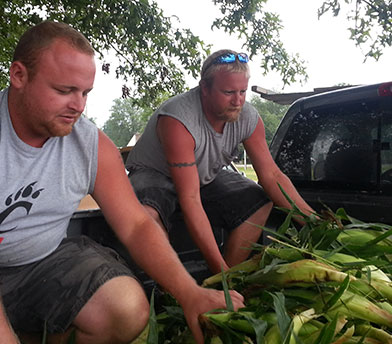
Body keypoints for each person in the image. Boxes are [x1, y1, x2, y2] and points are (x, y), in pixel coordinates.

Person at [0, 22, 244, 344]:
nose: (78, 106)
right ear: (19, 75)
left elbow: (137, 225)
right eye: (64, 90)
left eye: (85, 92)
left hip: (38, 266)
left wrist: (189, 292)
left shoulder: (89, 143)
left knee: (126, 309)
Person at [125, 49, 314, 274]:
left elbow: (271, 175)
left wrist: (313, 223)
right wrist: (217, 267)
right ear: (204, 88)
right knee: (148, 214)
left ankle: (229, 278)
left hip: (204, 174)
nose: (238, 101)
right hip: (156, 172)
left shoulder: (249, 118)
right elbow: (190, 198)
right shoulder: (178, 120)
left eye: (242, 91)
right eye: (228, 92)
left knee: (259, 202)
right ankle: (173, 288)